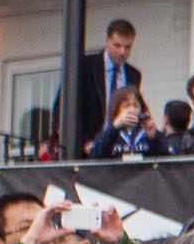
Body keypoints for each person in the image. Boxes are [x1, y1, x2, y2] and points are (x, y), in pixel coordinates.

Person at [67, 18, 140, 156]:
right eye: (117, 46)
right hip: (87, 149)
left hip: (119, 148)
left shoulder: (133, 75)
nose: (122, 52)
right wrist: (83, 141)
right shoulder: (83, 67)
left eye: (128, 47)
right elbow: (66, 110)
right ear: (106, 41)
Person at [88, 87, 171, 159]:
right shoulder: (109, 133)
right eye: (126, 106)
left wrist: (153, 138)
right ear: (117, 110)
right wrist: (114, 128)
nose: (132, 110)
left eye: (135, 106)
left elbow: (167, 158)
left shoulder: (148, 131)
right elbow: (95, 156)